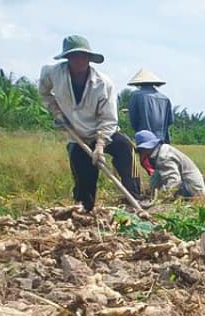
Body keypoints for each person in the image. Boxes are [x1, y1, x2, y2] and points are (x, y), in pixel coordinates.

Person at [38, 35, 139, 211]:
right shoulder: (53, 73)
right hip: (77, 134)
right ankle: (84, 210)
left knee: (125, 148)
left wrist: (100, 145)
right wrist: (57, 112)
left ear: (89, 59)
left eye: (83, 56)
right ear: (67, 58)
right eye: (74, 56)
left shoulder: (102, 84)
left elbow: (108, 118)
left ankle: (135, 197)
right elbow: (44, 93)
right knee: (84, 177)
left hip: (103, 131)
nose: (79, 61)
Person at [134, 130, 205, 198]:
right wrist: (152, 190)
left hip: (193, 189)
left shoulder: (163, 157)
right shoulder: (161, 150)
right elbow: (156, 176)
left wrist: (160, 195)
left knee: (167, 189)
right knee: (156, 174)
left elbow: (174, 181)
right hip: (190, 185)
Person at [128, 68, 174, 143]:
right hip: (162, 138)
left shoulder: (136, 96)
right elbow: (170, 121)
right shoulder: (165, 99)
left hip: (144, 139)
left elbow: (134, 120)